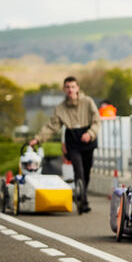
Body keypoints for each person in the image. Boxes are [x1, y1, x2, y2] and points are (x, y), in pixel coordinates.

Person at [30, 76, 101, 213]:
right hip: (72, 141)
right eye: (67, 87)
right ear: (64, 89)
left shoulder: (88, 102)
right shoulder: (60, 108)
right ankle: (83, 201)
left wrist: (90, 134)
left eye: (73, 87)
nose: (70, 90)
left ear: (78, 88)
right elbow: (52, 127)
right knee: (78, 170)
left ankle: (81, 193)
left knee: (86, 171)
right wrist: (37, 139)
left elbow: (97, 121)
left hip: (88, 139)